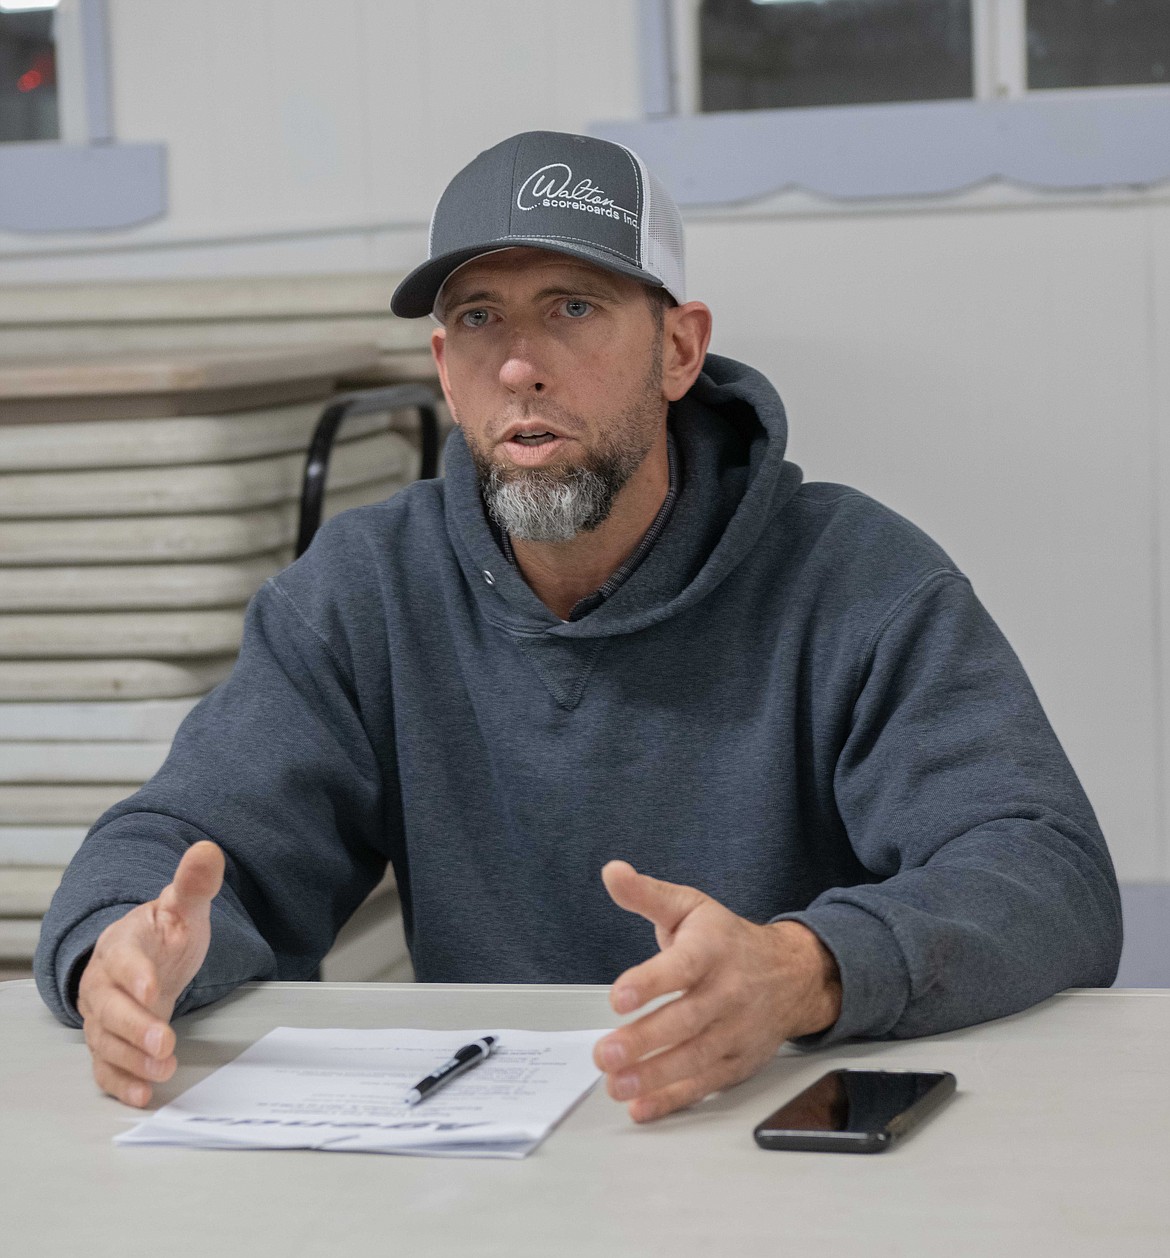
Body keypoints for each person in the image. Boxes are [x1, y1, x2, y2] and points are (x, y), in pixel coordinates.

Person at [35, 130, 1122, 1124]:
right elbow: (180, 843)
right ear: (444, 378)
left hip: (774, 1127)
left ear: (680, 351)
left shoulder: (859, 578)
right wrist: (120, 950)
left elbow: (1044, 870)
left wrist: (804, 968)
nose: (519, 365)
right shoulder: (365, 590)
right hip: (483, 1150)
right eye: (478, 319)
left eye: (573, 307)